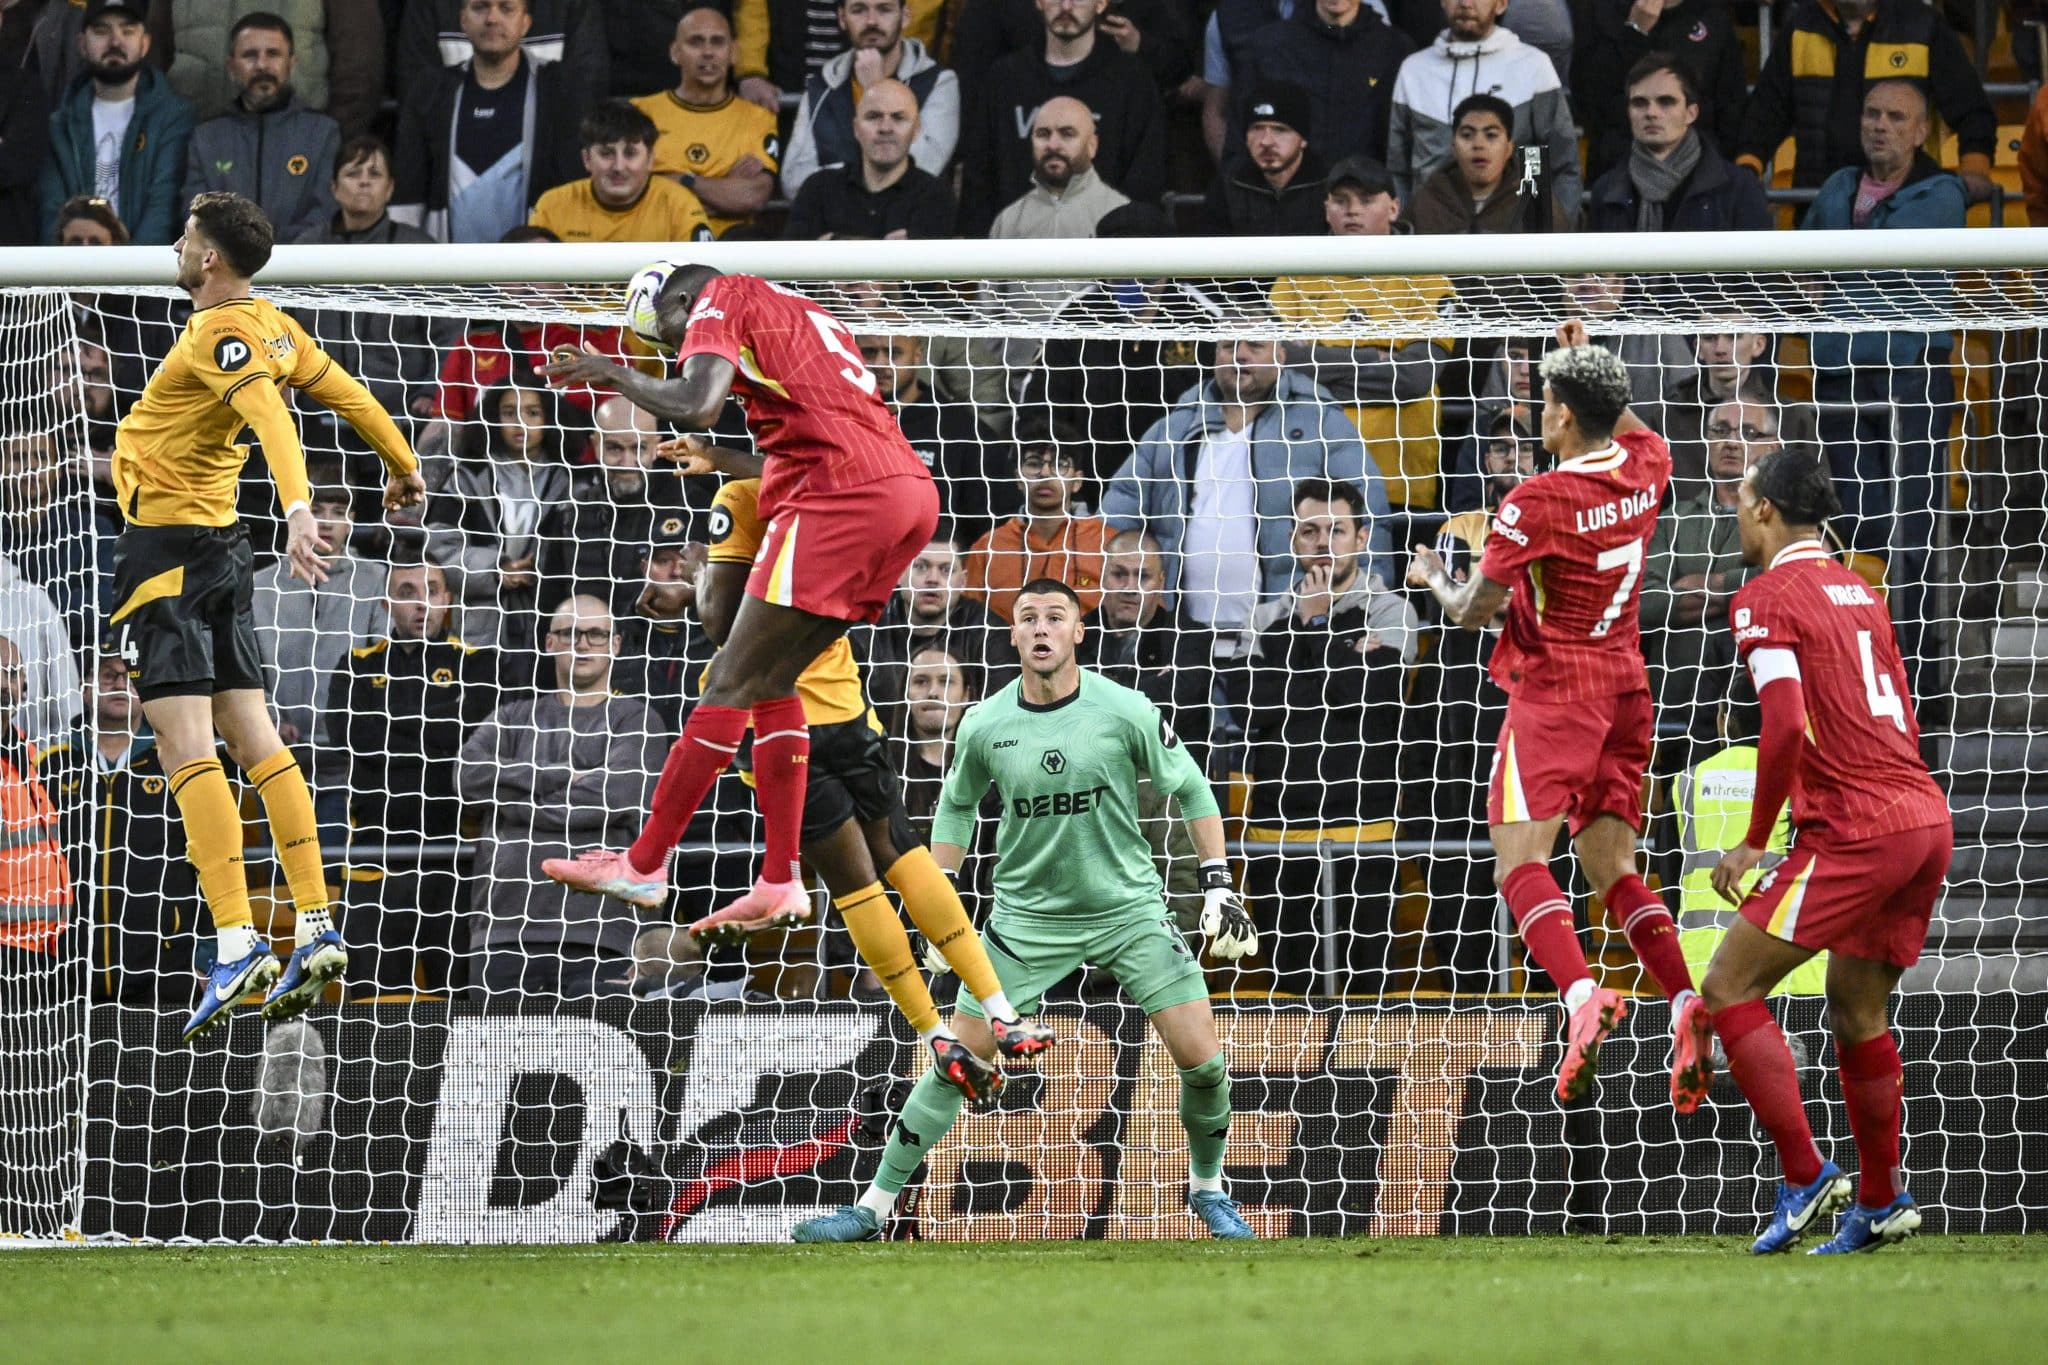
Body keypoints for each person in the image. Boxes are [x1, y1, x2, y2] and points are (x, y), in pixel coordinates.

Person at [791, 579, 1263, 1243]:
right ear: (1013, 635)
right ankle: (872, 1207)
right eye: (1029, 617)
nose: (1042, 628)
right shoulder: (985, 723)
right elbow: (956, 805)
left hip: (1128, 911)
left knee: (1205, 1063)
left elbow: (1193, 787)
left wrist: (1219, 883)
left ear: (1078, 632)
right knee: (957, 1063)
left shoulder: (1125, 708)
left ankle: (1209, 1190)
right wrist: (939, 893)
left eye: (1056, 617)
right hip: (1025, 923)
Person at [536, 264, 943, 938]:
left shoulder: (723, 295)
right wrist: (718, 456)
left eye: (672, 337)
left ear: (679, 300)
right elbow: (814, 449)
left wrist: (612, 371)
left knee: (727, 674)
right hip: (905, 495)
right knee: (768, 681)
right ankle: (780, 878)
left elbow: (698, 400)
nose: (681, 353)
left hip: (843, 498)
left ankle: (644, 862)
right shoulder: (803, 314)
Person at [106, 191, 425, 1041]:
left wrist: (298, 508)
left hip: (165, 553)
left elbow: (271, 416)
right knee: (254, 736)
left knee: (185, 746)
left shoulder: (217, 333)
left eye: (185, 238)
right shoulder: (277, 326)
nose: (176, 248)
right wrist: (401, 461)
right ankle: (315, 922)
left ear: (209, 257)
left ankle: (235, 939)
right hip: (221, 550)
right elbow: (350, 395)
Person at [676, 456, 1056, 1094]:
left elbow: (720, 623)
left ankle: (933, 1034)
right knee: (904, 853)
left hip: (773, 723)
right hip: (846, 707)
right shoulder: (843, 497)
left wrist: (702, 576)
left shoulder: (742, 498)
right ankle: (1002, 1012)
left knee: (856, 887)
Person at [1407, 321, 1707, 1110]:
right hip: (1627, 690)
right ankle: (1685, 1000)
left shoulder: (1534, 502)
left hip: (1555, 695)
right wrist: (1586, 360)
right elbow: (1624, 416)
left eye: (1545, 400)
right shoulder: (1648, 463)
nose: (1536, 412)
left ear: (1564, 415)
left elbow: (1474, 611)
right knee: (1615, 871)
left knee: (1518, 863)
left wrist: (1434, 575)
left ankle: (1581, 997)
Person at [1700, 448, 1952, 1255]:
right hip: (1922, 816)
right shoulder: (1861, 590)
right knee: (1854, 1005)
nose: (1737, 513)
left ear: (1766, 509)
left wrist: (1753, 839)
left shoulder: (1766, 597)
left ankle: (1806, 1175)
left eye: (1742, 498)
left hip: (1858, 824)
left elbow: (1781, 720)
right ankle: (1879, 1199)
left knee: (1727, 986)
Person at [1241, 479, 1418, 996]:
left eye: (1336, 530)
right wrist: (1340, 649)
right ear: (1292, 540)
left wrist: (1311, 629)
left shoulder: (1392, 611)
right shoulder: (1263, 617)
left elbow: (1371, 696)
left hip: (1365, 830)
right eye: (1309, 531)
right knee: (1289, 996)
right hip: (1277, 834)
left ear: (1362, 538)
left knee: (1368, 996)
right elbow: (1261, 706)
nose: (1322, 542)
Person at [1800, 79, 1965, 605]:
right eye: (1872, 114)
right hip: (1837, 370)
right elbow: (1802, 264)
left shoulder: (1943, 194)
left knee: (1911, 524)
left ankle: (1917, 648)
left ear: (1920, 133)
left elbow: (1882, 267)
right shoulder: (1838, 185)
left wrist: (1835, 277)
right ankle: (1860, 631)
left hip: (1911, 374)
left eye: (1896, 118)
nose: (1880, 126)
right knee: (1853, 515)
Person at [1103, 337, 1391, 637]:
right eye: (1229, 346)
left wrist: (1364, 615)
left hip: (1288, 641)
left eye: (1255, 346)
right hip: (1179, 643)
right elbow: (1114, 523)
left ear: (1280, 355)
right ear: (1215, 354)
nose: (1240, 355)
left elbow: (1368, 522)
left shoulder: (1323, 422)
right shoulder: (1173, 429)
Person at [460, 595, 665, 1004]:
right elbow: (468, 775)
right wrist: (561, 775)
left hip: (603, 934)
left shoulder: (638, 721)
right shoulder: (511, 716)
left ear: (615, 644)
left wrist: (511, 800)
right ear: (549, 642)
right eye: (570, 633)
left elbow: (611, 799)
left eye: (596, 634)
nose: (583, 643)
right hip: (503, 932)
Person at [328, 553, 498, 997]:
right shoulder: (356, 665)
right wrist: (438, 725)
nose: (422, 603)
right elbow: (352, 736)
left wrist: (391, 723)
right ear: (386, 604)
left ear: (449, 599)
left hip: (454, 858)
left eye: (432, 591)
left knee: (457, 1003)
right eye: (408, 593)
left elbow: (474, 736)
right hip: (373, 856)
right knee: (372, 1005)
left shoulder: (480, 664)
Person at [1271, 154, 1452, 509]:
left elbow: (1414, 377)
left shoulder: (1428, 276)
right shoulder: (1295, 274)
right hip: (1311, 484)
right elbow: (1280, 367)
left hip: (1400, 481)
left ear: (1394, 208)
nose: (1352, 211)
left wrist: (1319, 367)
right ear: (1326, 209)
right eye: (1341, 201)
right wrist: (1375, 357)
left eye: (1366, 201)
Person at [43, 644, 190, 1002]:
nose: (121, 684)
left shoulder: (176, 762)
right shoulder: (50, 766)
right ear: (85, 689)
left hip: (165, 967)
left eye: (130, 677)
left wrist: (203, 953)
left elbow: (205, 859)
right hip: (64, 968)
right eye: (108, 675)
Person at [1734, 0, 1993, 200]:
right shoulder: (1800, 27)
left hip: (1905, 209)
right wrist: (1748, 167)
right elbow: (1765, 112)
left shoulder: (1924, 26)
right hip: (1819, 208)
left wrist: (1975, 168)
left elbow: (1972, 109)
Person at [956, 0, 1166, 238]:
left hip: (1104, 251)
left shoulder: (1133, 82)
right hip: (1013, 250)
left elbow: (1145, 183)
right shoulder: (1004, 79)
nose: (1066, 6)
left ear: (1100, 4)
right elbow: (979, 181)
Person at [1638, 400, 1782, 740]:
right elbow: (1644, 603)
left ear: (1773, 447)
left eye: (1749, 432)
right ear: (1706, 440)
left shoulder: (1785, 517)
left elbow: (1789, 584)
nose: (1731, 442)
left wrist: (1707, 584)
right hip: (1675, 712)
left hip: (1756, 709)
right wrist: (1740, 591)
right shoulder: (1672, 519)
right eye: (1720, 430)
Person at [389, 0, 585, 242]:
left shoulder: (559, 91)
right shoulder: (430, 92)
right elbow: (408, 195)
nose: (492, 18)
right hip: (444, 261)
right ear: (463, 20)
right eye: (480, 7)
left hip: (534, 264)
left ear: (525, 23)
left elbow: (574, 192)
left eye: (506, 8)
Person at [1388, 0, 1581, 220]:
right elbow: (1398, 172)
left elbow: (1563, 167)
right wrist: (1406, 231)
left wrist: (1552, 233)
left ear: (1501, 4)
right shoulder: (1414, 70)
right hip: (1432, 230)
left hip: (1513, 232)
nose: (1465, 3)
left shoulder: (1534, 67)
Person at [38, 0, 195, 245]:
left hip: (143, 266)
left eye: (127, 31)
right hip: (74, 266)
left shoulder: (174, 118)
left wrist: (130, 267)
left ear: (145, 43)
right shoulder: (60, 125)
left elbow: (162, 210)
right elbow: (52, 215)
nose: (115, 42)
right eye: (101, 31)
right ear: (82, 44)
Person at [179, 12, 340, 244]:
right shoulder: (206, 138)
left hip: (301, 262)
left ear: (291, 63)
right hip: (227, 262)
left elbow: (325, 212)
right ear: (231, 66)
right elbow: (195, 214)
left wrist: (275, 252)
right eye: (250, 55)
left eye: (273, 54)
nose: (262, 65)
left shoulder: (323, 133)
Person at [780, 0, 959, 197]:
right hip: (835, 216)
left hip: (909, 215)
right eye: (859, 10)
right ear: (842, 18)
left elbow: (926, 167)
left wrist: (876, 90)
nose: (871, 21)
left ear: (905, 16)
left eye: (884, 9)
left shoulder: (938, 82)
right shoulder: (824, 84)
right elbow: (794, 181)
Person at [251, 483, 385, 748]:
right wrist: (270, 718)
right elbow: (247, 666)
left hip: (351, 744)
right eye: (315, 511)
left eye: (338, 512)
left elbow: (383, 657)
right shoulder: (261, 585)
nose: (326, 522)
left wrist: (358, 723)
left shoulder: (374, 578)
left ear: (351, 520)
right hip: (278, 743)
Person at [629, 6, 778, 238]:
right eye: (696, 42)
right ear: (675, 52)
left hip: (729, 247)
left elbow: (753, 195)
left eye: (717, 42)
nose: (708, 52)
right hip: (659, 241)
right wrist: (723, 189)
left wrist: (683, 180)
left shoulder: (757, 117)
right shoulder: (641, 111)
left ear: (734, 53)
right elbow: (631, 190)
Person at [1583, 54, 1769, 235]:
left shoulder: (1740, 189)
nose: (1651, 113)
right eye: (1639, 103)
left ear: (1691, 113)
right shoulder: (1605, 190)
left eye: (1666, 102)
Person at [854, 526, 1019, 726]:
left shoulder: (990, 634)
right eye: (921, 566)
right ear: (899, 573)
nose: (932, 579)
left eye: (946, 570)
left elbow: (1001, 720)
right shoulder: (864, 629)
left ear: (963, 581)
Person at [964, 418, 1113, 623]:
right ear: (1018, 479)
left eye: (1059, 465)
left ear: (1077, 481)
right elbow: (967, 624)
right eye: (1034, 464)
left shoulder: (1108, 545)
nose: (1045, 473)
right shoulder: (986, 549)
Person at [1232, 0, 1410, 167]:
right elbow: (1238, 138)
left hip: (1364, 186)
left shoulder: (1394, 50)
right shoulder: (1269, 46)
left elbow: (1402, 145)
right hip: (1286, 188)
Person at [858, 332, 1008, 529]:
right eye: (868, 353)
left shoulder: (965, 434)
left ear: (917, 356)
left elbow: (991, 529)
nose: (880, 364)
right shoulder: (833, 421)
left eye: (893, 353)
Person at [782, 80, 956, 240]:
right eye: (873, 117)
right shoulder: (818, 188)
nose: (885, 128)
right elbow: (792, 259)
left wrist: (836, 241)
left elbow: (926, 263)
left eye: (898, 118)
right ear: (856, 128)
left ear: (916, 129)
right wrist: (889, 253)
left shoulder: (936, 196)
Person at [529, 99, 713, 243]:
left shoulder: (679, 204)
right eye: (606, 153)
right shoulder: (552, 205)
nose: (618, 166)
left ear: (650, 159)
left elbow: (701, 274)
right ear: (587, 159)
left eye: (630, 153)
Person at [1408, 92, 1571, 234]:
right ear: (1454, 147)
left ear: (1509, 148)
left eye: (1491, 135)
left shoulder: (1535, 203)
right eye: (1467, 135)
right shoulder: (1428, 200)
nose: (1479, 145)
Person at [988, 95, 1129, 246]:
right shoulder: (1009, 221)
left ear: (1092, 145)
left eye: (1067, 134)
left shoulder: (1119, 212)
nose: (1053, 145)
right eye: (1043, 134)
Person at [1203, 80, 1327, 237]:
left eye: (1280, 130)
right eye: (1257, 128)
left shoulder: (1328, 184)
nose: (1266, 141)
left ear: (1303, 139)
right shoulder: (1228, 185)